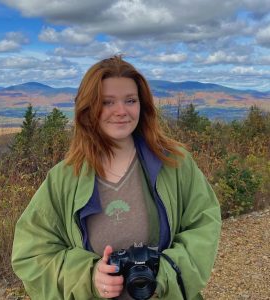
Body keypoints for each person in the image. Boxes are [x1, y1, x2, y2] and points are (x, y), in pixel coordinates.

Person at [12, 55, 221, 300]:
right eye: (107, 102)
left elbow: (204, 225)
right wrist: (89, 277)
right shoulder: (64, 178)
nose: (121, 111)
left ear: (142, 105)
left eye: (130, 100)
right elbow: (31, 255)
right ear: (89, 108)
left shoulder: (174, 163)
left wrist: (162, 277)